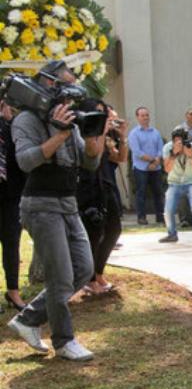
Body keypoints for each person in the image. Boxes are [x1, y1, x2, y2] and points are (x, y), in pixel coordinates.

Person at [7, 60, 107, 360]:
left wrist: (93, 141)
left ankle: (28, 319)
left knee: (83, 269)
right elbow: (25, 161)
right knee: (61, 277)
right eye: (66, 85)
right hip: (40, 205)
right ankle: (64, 341)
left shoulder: (70, 119)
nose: (71, 93)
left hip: (68, 203)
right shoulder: (26, 120)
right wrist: (59, 135)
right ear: (49, 83)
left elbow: (89, 163)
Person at [78, 101, 127, 295]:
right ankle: (89, 279)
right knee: (93, 232)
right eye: (98, 112)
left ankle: (98, 273)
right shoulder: (85, 132)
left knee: (114, 229)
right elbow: (91, 155)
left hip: (107, 185)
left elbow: (120, 158)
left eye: (103, 113)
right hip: (88, 186)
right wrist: (101, 132)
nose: (103, 117)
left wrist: (122, 137)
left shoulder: (106, 135)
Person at [158, 127, 192, 247]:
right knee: (168, 210)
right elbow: (167, 169)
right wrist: (173, 154)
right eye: (176, 141)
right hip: (174, 182)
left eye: (181, 141)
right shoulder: (168, 148)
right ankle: (172, 234)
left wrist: (191, 156)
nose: (178, 143)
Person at [0, 100, 27, 311]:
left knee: (12, 244)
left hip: (10, 196)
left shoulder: (12, 128)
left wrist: (9, 121)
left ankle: (13, 292)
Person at [127, 106, 164, 225]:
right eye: (142, 115)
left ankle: (160, 217)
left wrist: (156, 161)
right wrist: (152, 160)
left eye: (147, 115)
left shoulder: (156, 132)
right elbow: (137, 152)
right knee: (141, 193)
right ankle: (141, 217)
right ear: (137, 117)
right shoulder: (134, 133)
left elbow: (161, 149)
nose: (145, 117)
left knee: (158, 192)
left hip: (156, 168)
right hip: (140, 168)